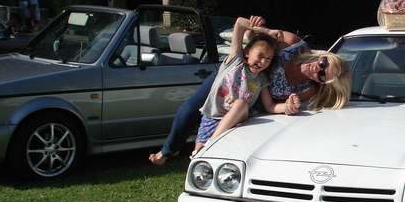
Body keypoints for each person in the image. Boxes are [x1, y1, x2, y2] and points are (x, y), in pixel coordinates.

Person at [149, 16, 352, 165]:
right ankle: (167, 152)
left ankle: (203, 152)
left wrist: (289, 107)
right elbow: (255, 42)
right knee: (188, 110)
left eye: (323, 75)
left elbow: (276, 106)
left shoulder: (307, 89)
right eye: (324, 63)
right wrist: (259, 29)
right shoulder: (293, 45)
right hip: (231, 78)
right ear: (322, 56)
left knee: (221, 133)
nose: (319, 69)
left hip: (252, 98)